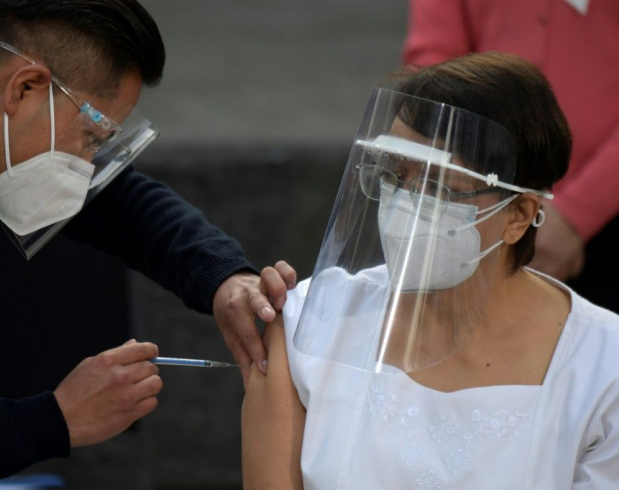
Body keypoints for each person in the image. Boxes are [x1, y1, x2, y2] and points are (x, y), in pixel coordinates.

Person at [0, 0, 294, 487]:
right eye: (90, 140)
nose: (83, 175)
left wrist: (225, 277)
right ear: (25, 88)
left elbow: (119, 203)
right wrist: (53, 421)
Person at [242, 52, 619, 489]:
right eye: (394, 174)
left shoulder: (603, 367)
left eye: (439, 186)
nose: (406, 202)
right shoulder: (311, 321)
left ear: (519, 214)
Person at [402, 0, 619, 313]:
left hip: (605, 215)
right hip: (475, 201)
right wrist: (467, 187)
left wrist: (577, 215)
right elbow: (433, 64)